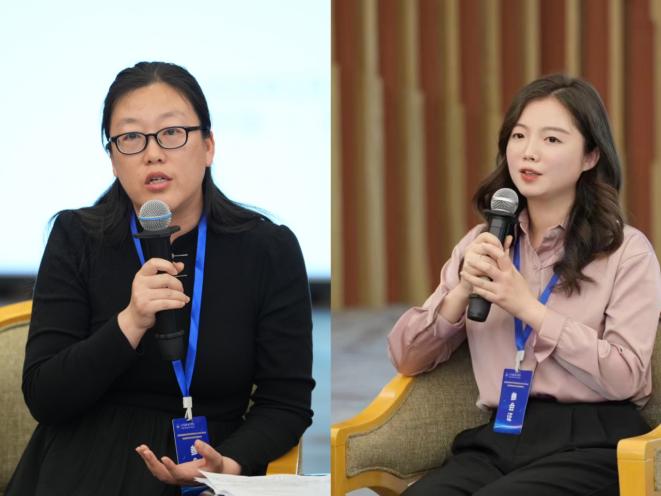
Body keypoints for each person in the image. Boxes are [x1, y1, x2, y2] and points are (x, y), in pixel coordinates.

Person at [7, 61, 314, 496]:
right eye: (131, 137)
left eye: (172, 132)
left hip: (210, 473)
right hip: (84, 467)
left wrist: (227, 465)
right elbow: (45, 397)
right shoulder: (77, 238)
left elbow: (286, 403)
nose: (153, 153)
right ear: (113, 159)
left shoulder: (267, 249)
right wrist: (130, 322)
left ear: (208, 147)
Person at [388, 74, 661, 495]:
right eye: (519, 136)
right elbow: (406, 358)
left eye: (551, 139)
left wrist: (528, 308)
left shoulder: (626, 251)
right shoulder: (483, 242)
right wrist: (460, 292)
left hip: (594, 440)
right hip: (501, 436)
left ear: (590, 156)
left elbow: (626, 377)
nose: (529, 152)